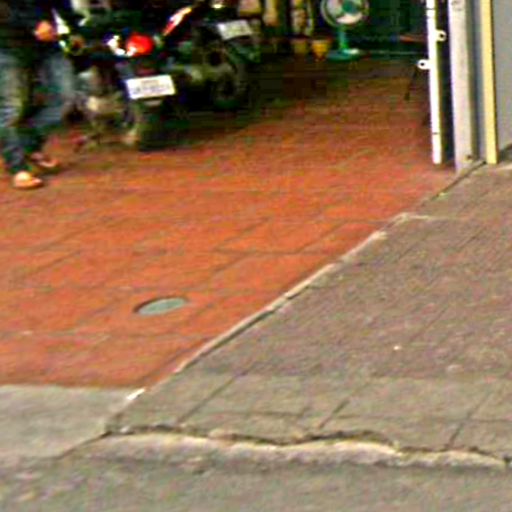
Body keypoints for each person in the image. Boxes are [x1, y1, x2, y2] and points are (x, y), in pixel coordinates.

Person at [0, 0, 78, 189]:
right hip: (6, 44)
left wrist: (75, 27)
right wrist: (33, 22)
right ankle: (17, 166)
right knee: (12, 108)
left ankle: (28, 146)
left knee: (65, 96)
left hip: (46, 44)